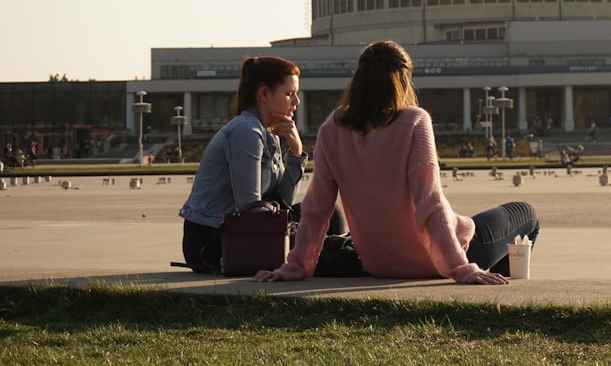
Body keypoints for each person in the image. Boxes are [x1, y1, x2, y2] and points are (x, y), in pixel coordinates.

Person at [254, 40, 539, 285]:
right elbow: (431, 203)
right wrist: (460, 268)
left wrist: (296, 265)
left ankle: (494, 283)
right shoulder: (414, 121)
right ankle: (501, 289)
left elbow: (316, 208)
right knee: (526, 213)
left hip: (380, 264)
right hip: (441, 258)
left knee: (487, 222)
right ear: (402, 79)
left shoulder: (333, 128)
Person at [178, 56, 313, 273]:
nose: (296, 101)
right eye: (289, 94)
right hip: (214, 239)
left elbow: (283, 201)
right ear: (264, 94)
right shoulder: (246, 132)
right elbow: (248, 206)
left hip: (246, 229)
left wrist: (296, 151)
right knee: (318, 235)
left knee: (324, 215)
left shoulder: (270, 133)